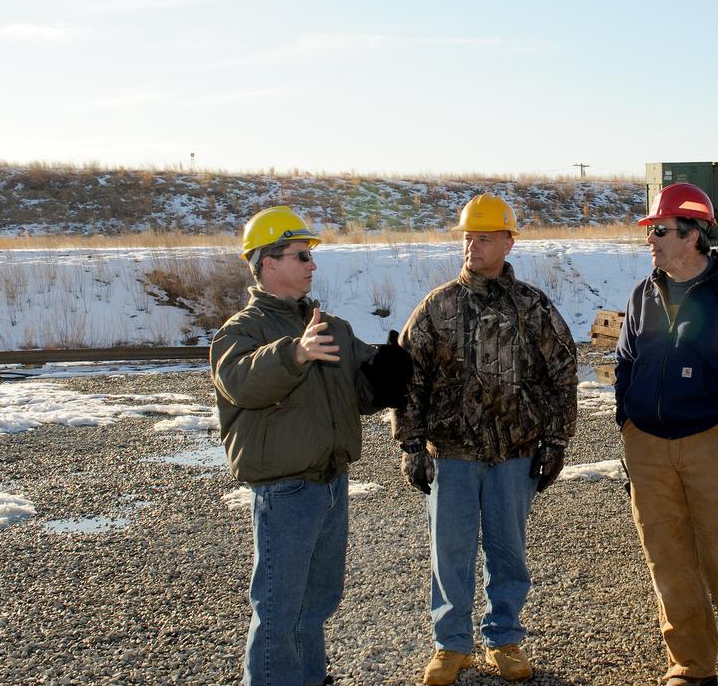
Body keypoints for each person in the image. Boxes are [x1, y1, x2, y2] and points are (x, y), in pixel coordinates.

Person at [211, 205, 413, 686]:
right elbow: (241, 382)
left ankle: (310, 677)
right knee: (280, 607)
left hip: (330, 482)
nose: (311, 264)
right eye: (301, 255)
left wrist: (385, 380)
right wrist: (294, 352)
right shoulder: (241, 331)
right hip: (284, 491)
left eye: (310, 256)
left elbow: (355, 395)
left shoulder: (331, 326)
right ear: (267, 263)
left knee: (317, 600)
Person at [392, 193, 578, 686]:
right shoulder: (439, 306)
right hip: (451, 455)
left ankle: (505, 639)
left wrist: (556, 442)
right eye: (469, 237)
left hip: (515, 454)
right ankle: (451, 646)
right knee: (449, 553)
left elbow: (562, 372)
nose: (473, 246)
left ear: (509, 242)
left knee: (507, 552)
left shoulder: (532, 306)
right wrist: (411, 446)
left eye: (486, 237)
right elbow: (409, 379)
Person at [614, 183, 718, 686]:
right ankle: (691, 667)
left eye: (661, 231)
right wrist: (628, 423)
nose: (651, 240)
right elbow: (625, 362)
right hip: (646, 449)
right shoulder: (643, 293)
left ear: (693, 235)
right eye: (651, 231)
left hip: (713, 443)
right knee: (667, 564)